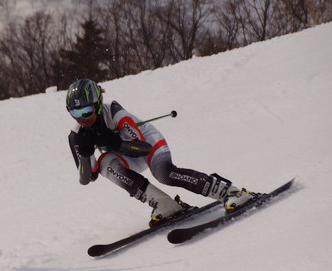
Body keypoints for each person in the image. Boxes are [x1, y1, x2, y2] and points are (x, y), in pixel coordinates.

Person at [66, 78, 253, 226]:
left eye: (87, 110)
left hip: (148, 142)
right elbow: (87, 178)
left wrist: (113, 141)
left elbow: (142, 148)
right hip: (125, 153)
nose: (82, 118)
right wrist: (84, 153)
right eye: (75, 112)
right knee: (106, 164)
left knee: (164, 173)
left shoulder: (115, 113)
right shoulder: (76, 135)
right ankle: (164, 203)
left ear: (98, 104)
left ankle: (231, 193)